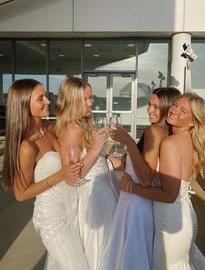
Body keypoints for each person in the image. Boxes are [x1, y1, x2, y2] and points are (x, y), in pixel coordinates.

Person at [2, 79, 89, 270]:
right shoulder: (26, 146)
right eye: (40, 98)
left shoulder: (50, 128)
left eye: (46, 96)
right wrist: (60, 175)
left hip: (72, 209)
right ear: (24, 104)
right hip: (52, 219)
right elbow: (21, 194)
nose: (48, 101)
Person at [119, 92, 205, 270]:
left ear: (193, 122)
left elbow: (169, 195)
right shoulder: (187, 140)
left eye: (183, 111)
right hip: (181, 214)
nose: (174, 110)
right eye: (175, 104)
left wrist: (131, 187)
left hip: (171, 220)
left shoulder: (170, 143)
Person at [99, 87, 181, 270]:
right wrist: (105, 158)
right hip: (137, 203)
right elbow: (136, 167)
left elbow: (145, 178)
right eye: (149, 105)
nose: (149, 110)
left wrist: (127, 141)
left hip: (135, 204)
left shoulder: (154, 132)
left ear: (168, 109)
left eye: (156, 107)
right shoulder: (166, 134)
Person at [55, 77, 118, 270]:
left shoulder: (82, 124)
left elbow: (100, 160)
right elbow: (73, 177)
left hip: (104, 190)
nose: (91, 102)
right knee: (101, 249)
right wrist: (97, 146)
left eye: (91, 97)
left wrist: (125, 163)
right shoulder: (72, 130)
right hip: (95, 197)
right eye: (87, 99)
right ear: (73, 101)